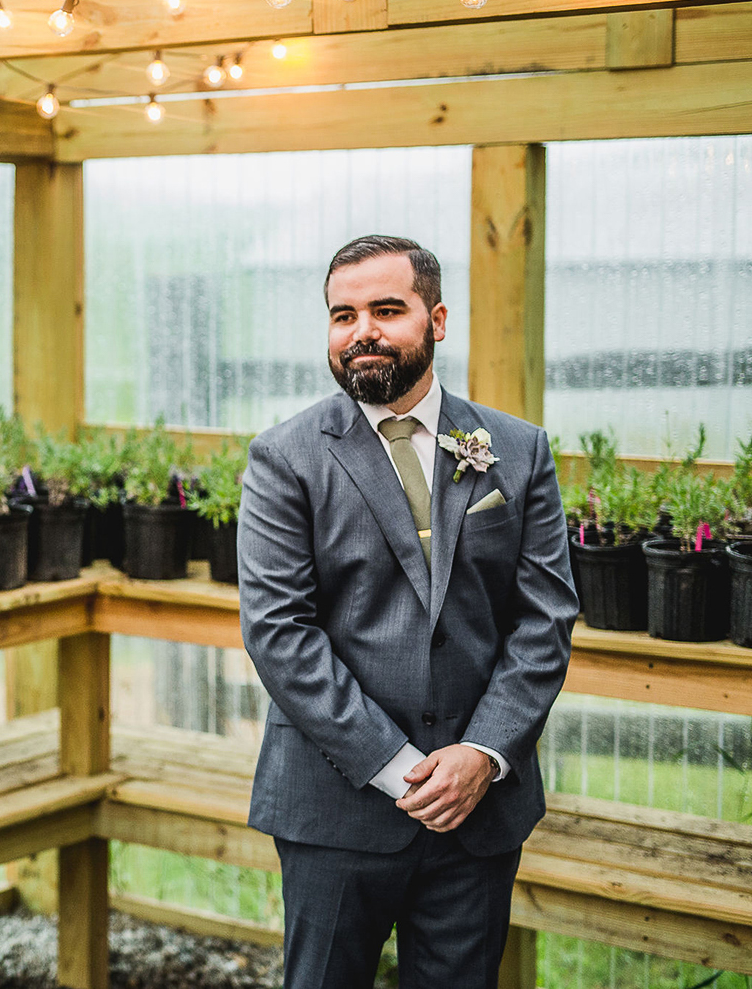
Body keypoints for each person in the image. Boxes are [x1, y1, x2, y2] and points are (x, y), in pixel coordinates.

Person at [237, 236, 577, 988]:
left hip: (478, 809)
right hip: (335, 805)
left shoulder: (516, 451)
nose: (362, 331)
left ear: (438, 319)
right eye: (343, 314)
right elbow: (279, 632)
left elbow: (545, 617)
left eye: (387, 310)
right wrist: (400, 770)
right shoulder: (285, 457)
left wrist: (483, 754)